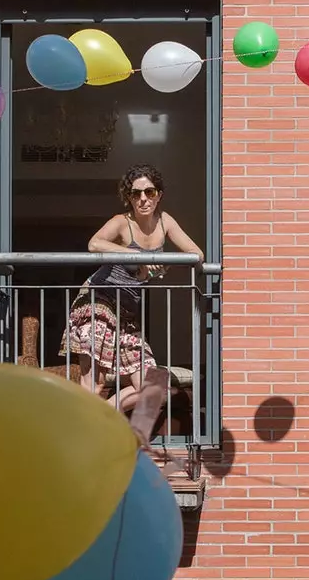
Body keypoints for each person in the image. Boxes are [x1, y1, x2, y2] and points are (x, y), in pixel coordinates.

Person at [60, 163, 204, 443]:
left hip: (127, 313)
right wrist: (132, 254)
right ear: (129, 197)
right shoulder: (122, 222)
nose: (143, 199)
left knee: (154, 387)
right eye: (136, 193)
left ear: (158, 195)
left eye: (149, 192)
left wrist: (163, 264)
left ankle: (102, 416)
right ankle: (91, 445)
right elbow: (95, 244)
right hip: (96, 303)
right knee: (96, 382)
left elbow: (196, 254)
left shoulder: (166, 223)